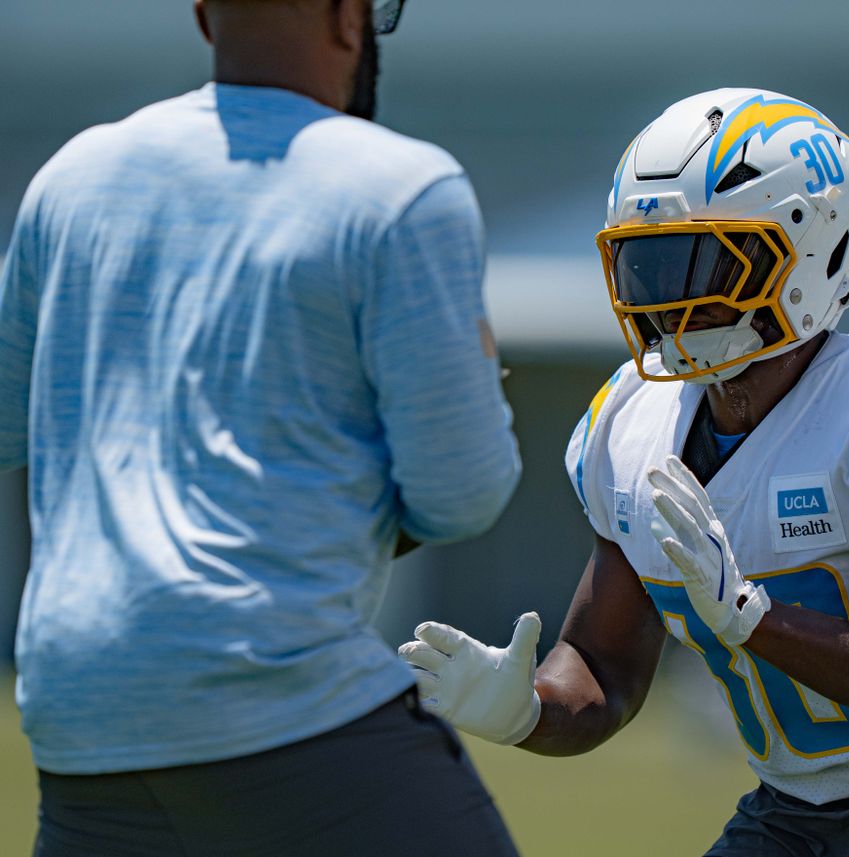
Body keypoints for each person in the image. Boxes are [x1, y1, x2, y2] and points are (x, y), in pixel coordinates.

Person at [400, 89, 849, 856]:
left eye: (706, 261)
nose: (671, 299)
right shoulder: (631, 426)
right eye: (650, 265)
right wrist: (527, 707)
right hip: (797, 810)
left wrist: (752, 618)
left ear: (811, 249)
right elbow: (603, 667)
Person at [0, 1, 521, 854]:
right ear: (348, 18)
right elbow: (462, 492)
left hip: (79, 712)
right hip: (274, 687)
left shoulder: (71, 177)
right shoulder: (403, 187)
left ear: (206, 16)